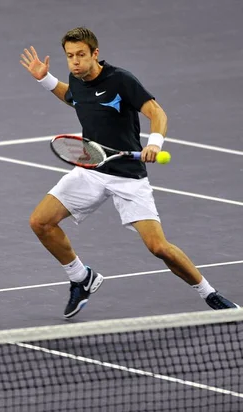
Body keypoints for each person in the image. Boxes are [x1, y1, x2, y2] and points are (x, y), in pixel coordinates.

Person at [20, 27, 238, 318]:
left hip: (128, 178)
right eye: (70, 56)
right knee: (40, 222)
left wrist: (155, 143)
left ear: (95, 54)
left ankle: (209, 293)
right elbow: (75, 98)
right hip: (91, 169)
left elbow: (157, 113)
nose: (74, 62)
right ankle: (81, 277)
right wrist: (45, 80)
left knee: (158, 247)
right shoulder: (77, 78)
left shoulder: (120, 80)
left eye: (81, 55)